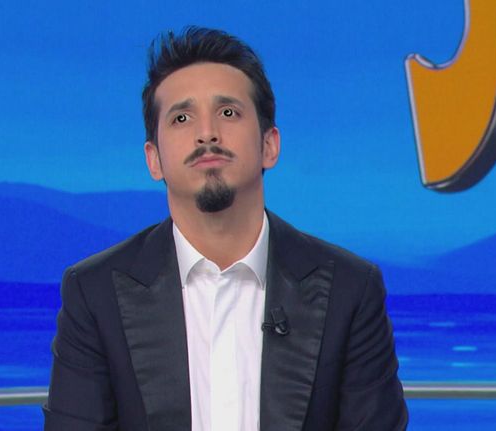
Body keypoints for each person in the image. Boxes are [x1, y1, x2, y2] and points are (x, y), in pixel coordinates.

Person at [43, 26, 408, 431]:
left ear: (269, 145)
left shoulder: (350, 290)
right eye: (182, 118)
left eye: (228, 112)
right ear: (154, 160)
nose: (207, 133)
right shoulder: (95, 294)